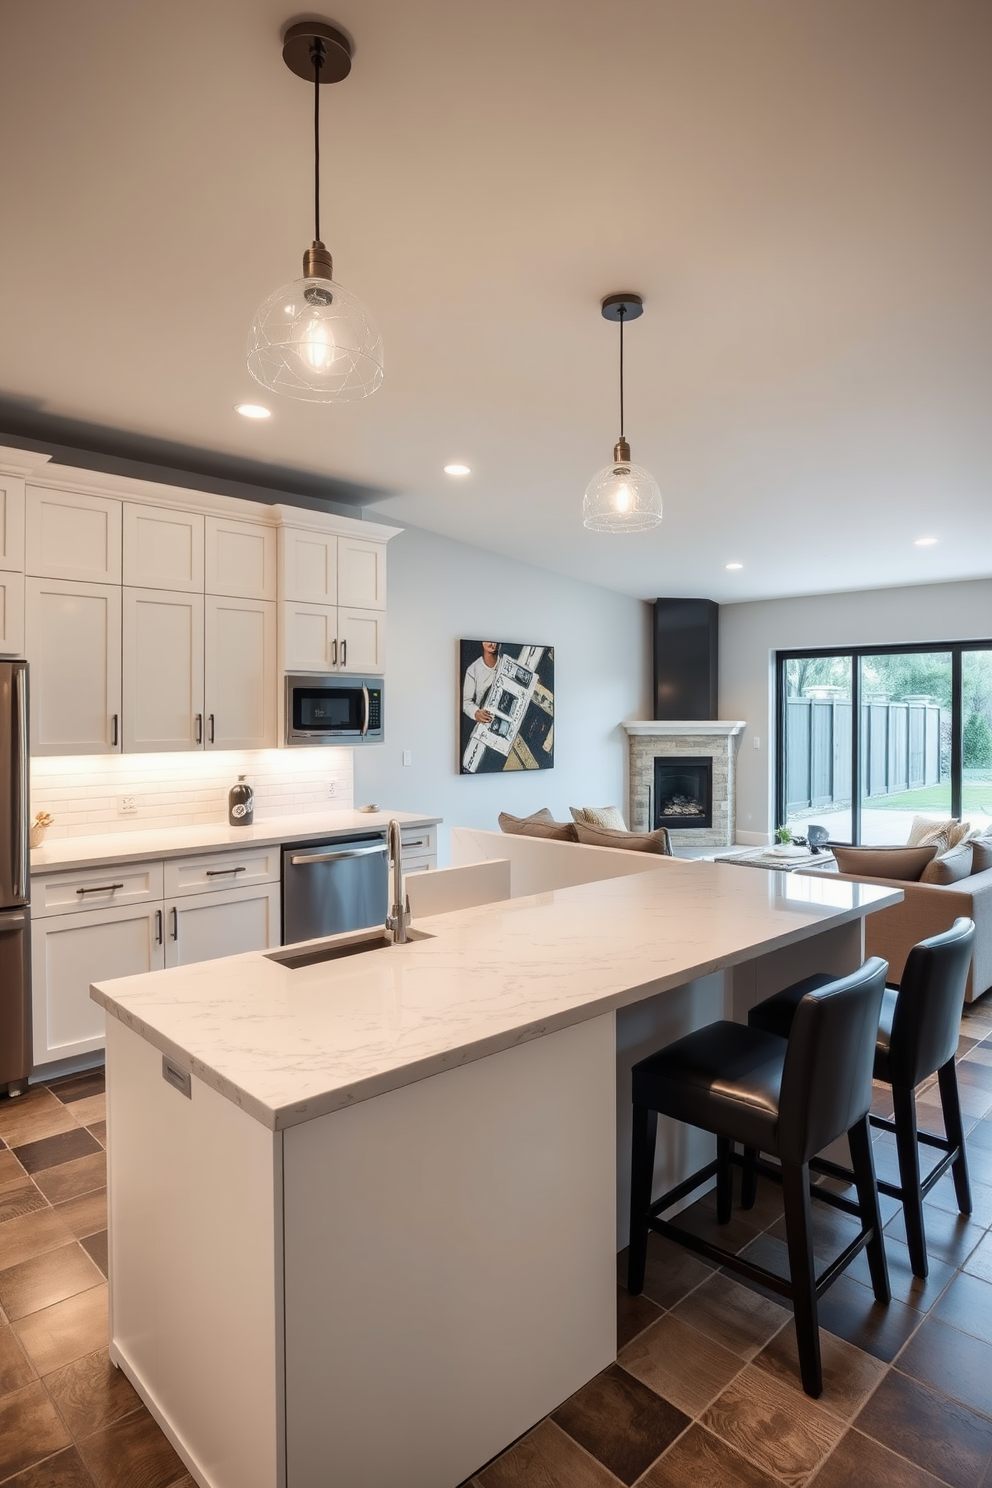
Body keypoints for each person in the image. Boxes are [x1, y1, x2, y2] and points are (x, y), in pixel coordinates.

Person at [462, 641, 500, 724]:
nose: (494, 645)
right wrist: (476, 713)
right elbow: (465, 702)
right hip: (488, 721)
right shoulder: (473, 670)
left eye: (496, 641)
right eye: (489, 641)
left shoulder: (505, 662)